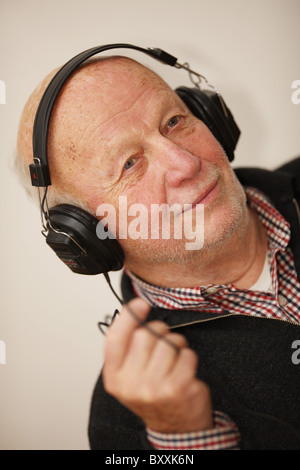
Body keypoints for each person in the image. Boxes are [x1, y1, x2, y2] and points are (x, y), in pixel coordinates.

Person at [16, 52, 300, 451]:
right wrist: (186, 435)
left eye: (174, 122)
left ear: (211, 117)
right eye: (130, 163)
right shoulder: (126, 426)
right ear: (87, 235)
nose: (184, 163)